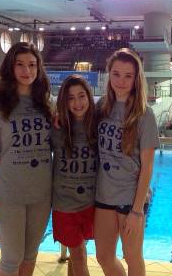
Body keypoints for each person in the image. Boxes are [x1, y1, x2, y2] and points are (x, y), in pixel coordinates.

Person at [0, 42, 53, 276]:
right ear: (11, 67)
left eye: (32, 65)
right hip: (9, 192)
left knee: (30, 256)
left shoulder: (47, 104)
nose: (26, 71)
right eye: (20, 65)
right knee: (11, 258)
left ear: (39, 68)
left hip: (41, 192)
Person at [94, 48, 160, 276]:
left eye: (128, 76)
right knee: (103, 256)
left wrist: (137, 210)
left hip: (130, 197)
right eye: (116, 74)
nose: (121, 81)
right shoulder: (101, 106)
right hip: (103, 194)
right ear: (109, 75)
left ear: (136, 79)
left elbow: (148, 165)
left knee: (132, 256)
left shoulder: (144, 114)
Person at [51, 74, 98, 276]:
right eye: (70, 98)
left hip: (91, 202)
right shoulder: (57, 127)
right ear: (64, 101)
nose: (77, 103)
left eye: (81, 96)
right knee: (78, 254)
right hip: (65, 204)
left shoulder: (98, 126)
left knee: (79, 252)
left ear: (89, 96)